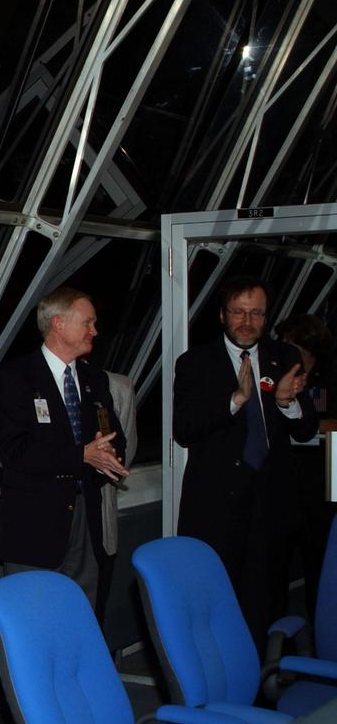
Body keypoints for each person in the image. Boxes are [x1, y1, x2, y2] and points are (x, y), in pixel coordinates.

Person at [0, 285, 128, 724]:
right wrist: (80, 456)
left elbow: (112, 435)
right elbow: (17, 453)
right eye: (87, 322)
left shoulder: (92, 379)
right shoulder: (13, 378)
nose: (95, 331)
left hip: (85, 528)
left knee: (77, 640)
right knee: (26, 643)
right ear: (58, 324)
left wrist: (110, 452)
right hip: (34, 532)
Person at [173, 275, 317, 650]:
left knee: (266, 602)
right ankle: (216, 684)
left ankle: (265, 688)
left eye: (256, 314)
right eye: (238, 312)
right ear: (222, 315)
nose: (247, 322)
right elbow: (184, 430)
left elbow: (305, 431)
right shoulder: (195, 363)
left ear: (267, 318)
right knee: (214, 602)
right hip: (216, 507)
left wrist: (287, 402)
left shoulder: (284, 357)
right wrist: (235, 400)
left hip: (270, 505)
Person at [276, 313, 335, 622]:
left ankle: (321, 625)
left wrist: (309, 422)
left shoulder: (330, 378)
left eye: (291, 343)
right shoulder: (279, 377)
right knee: (279, 556)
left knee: (321, 555)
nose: (285, 348)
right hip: (291, 472)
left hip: (328, 471)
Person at [100, 371, 139, 563]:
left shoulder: (117, 386)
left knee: (96, 590)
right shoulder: (25, 382)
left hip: (101, 522)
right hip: (42, 527)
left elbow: (126, 452)